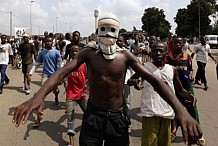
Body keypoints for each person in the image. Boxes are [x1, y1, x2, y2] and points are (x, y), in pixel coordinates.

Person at [13, 13, 202, 146]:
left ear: (118, 32)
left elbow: (156, 80)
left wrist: (181, 110)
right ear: (97, 30)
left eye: (111, 29)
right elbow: (61, 73)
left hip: (117, 118)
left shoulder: (125, 56)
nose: (107, 33)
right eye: (103, 28)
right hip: (93, 116)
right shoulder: (88, 54)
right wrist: (38, 95)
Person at [128, 41, 196, 146]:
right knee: (150, 142)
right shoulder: (144, 67)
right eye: (155, 51)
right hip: (150, 112)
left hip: (167, 113)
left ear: (166, 53)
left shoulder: (172, 69)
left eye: (161, 51)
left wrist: (189, 95)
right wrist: (134, 82)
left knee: (164, 143)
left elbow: (179, 90)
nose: (158, 53)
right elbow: (130, 80)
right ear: (151, 53)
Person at [166, 36, 205, 146]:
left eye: (180, 43)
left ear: (183, 44)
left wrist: (191, 76)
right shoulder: (168, 58)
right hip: (172, 88)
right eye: (175, 43)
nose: (177, 45)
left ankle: (199, 134)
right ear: (172, 44)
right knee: (173, 110)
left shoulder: (187, 57)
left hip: (187, 87)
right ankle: (173, 131)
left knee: (192, 110)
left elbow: (190, 69)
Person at [27, 35, 63, 127]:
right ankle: (39, 118)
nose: (49, 43)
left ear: (53, 42)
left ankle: (56, 97)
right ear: (44, 42)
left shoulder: (56, 53)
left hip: (54, 75)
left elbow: (60, 65)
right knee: (41, 95)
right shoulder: (42, 53)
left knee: (55, 90)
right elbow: (36, 64)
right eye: (47, 41)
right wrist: (30, 73)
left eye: (50, 41)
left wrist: (62, 76)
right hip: (45, 75)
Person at [64, 45, 88, 146]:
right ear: (70, 52)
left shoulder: (84, 65)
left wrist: (87, 89)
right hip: (71, 95)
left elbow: (89, 77)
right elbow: (63, 74)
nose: (74, 53)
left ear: (80, 52)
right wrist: (65, 82)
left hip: (82, 94)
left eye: (77, 51)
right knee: (70, 117)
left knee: (89, 114)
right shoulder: (68, 64)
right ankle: (71, 142)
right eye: (73, 51)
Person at [116, 35, 134, 133]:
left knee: (126, 104)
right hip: (115, 83)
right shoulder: (112, 53)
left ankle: (128, 123)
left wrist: (132, 79)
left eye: (121, 41)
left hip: (125, 82)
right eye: (117, 41)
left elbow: (132, 68)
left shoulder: (127, 54)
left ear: (124, 42)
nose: (119, 43)